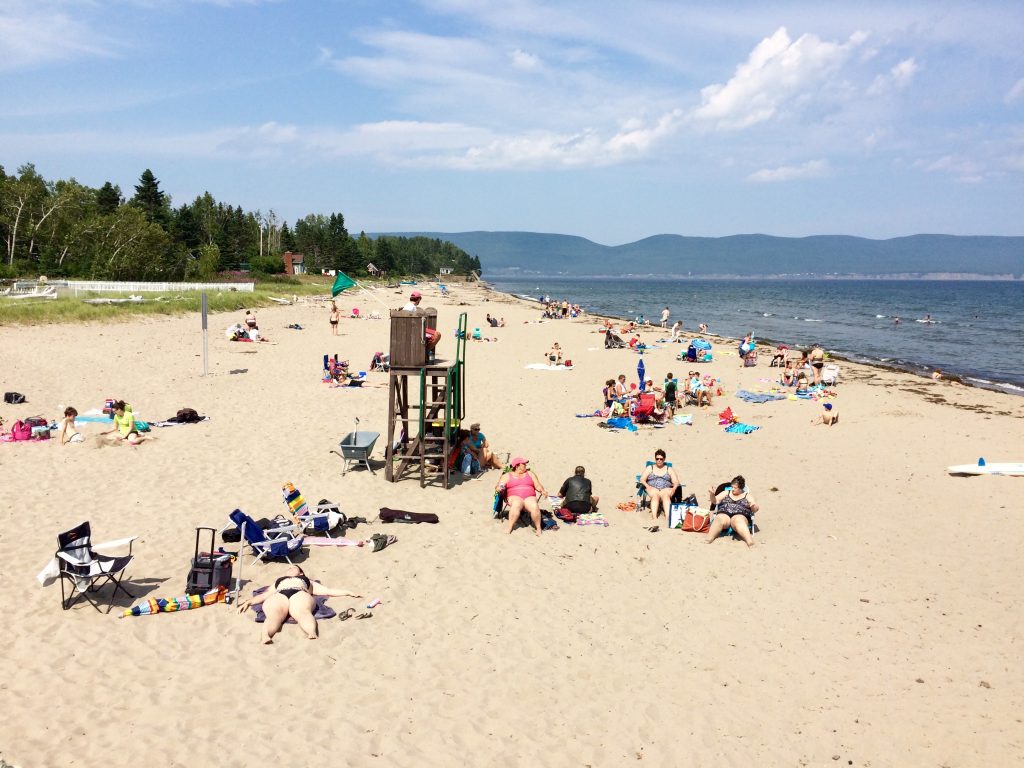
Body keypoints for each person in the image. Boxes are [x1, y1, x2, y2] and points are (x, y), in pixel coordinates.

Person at [237, 565, 362, 644]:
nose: (290, 568)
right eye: (289, 568)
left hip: (299, 592)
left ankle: (311, 632)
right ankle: (265, 636)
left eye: (294, 567)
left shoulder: (306, 580)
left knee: (303, 612)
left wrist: (348, 592)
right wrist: (248, 602)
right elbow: (266, 594)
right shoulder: (279, 581)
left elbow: (327, 591)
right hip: (279, 594)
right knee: (273, 615)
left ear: (301, 573)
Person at [496, 457, 547, 536]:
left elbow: (537, 485)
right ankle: (510, 527)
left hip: (529, 497)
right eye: (523, 464)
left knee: (534, 505)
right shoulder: (507, 476)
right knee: (516, 503)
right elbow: (499, 486)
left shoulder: (530, 474)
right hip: (513, 496)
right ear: (517, 466)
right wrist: (499, 488)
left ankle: (538, 528)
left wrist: (542, 490)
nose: (525, 465)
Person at [706, 476, 758, 547]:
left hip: (740, 515)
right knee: (719, 518)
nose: (732, 489)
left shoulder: (747, 496)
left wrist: (753, 505)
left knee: (738, 520)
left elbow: (755, 509)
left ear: (741, 488)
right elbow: (715, 501)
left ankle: (750, 542)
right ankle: (709, 539)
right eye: (732, 487)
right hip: (725, 514)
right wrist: (712, 494)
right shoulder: (726, 492)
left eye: (735, 488)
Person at [639, 449, 679, 522]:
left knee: (666, 496)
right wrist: (647, 486)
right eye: (657, 459)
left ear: (664, 459)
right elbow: (642, 479)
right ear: (655, 459)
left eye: (661, 459)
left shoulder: (669, 469)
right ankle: (654, 517)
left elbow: (676, 481)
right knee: (655, 496)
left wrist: (674, 489)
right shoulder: (650, 468)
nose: (659, 460)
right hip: (652, 488)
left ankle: (667, 517)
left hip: (665, 489)